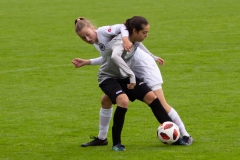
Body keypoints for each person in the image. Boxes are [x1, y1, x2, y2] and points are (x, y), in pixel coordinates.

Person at [73, 16, 190, 151]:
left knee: (158, 102)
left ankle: (184, 135)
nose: (87, 39)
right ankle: (104, 139)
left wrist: (151, 56)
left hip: (142, 67)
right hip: (125, 71)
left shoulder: (109, 33)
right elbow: (110, 58)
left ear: (92, 28)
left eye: (87, 34)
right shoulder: (99, 41)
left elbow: (126, 35)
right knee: (108, 100)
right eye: (83, 38)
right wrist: (87, 62)